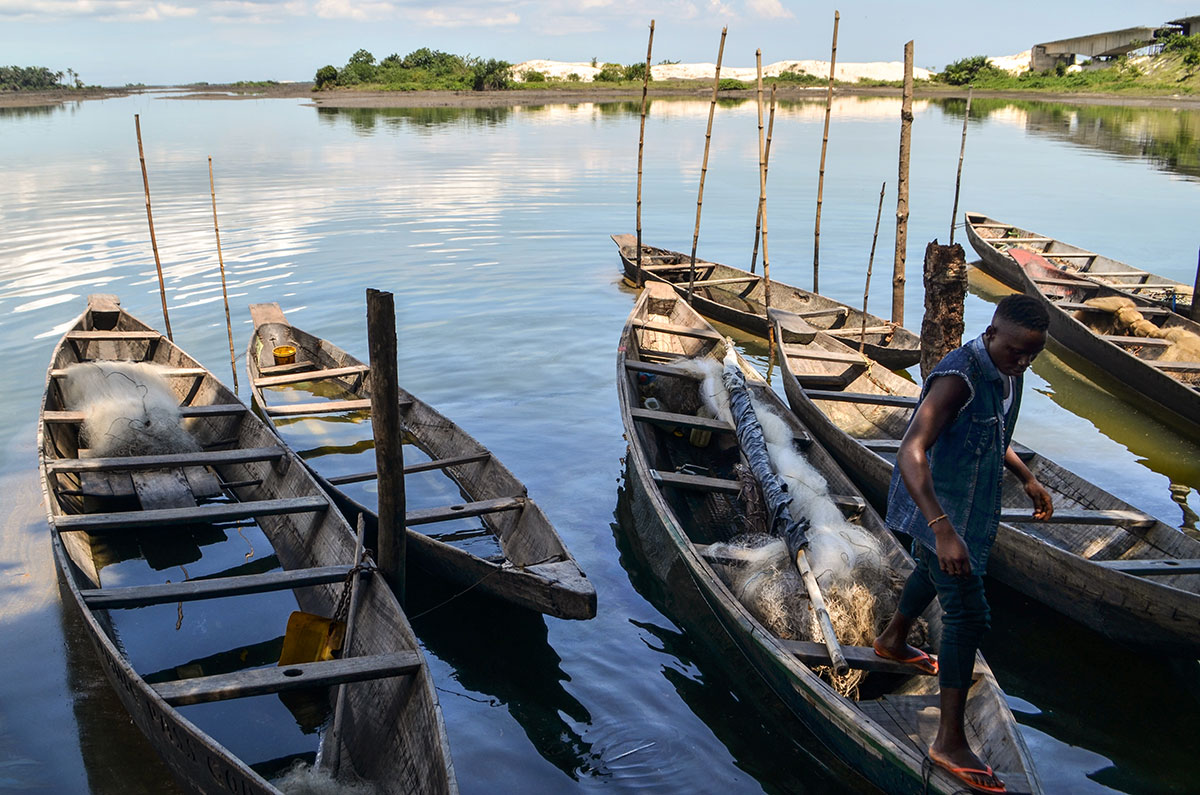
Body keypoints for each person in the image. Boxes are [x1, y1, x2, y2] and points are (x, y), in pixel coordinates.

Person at [872, 294, 1052, 794]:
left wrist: (1027, 478)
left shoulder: (1008, 371)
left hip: (969, 508)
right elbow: (911, 449)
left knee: (932, 574)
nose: (1022, 362)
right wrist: (942, 528)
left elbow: (994, 435)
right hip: (941, 510)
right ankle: (949, 741)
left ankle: (891, 640)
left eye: (1032, 355)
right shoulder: (960, 376)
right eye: (1015, 351)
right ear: (991, 333)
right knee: (968, 614)